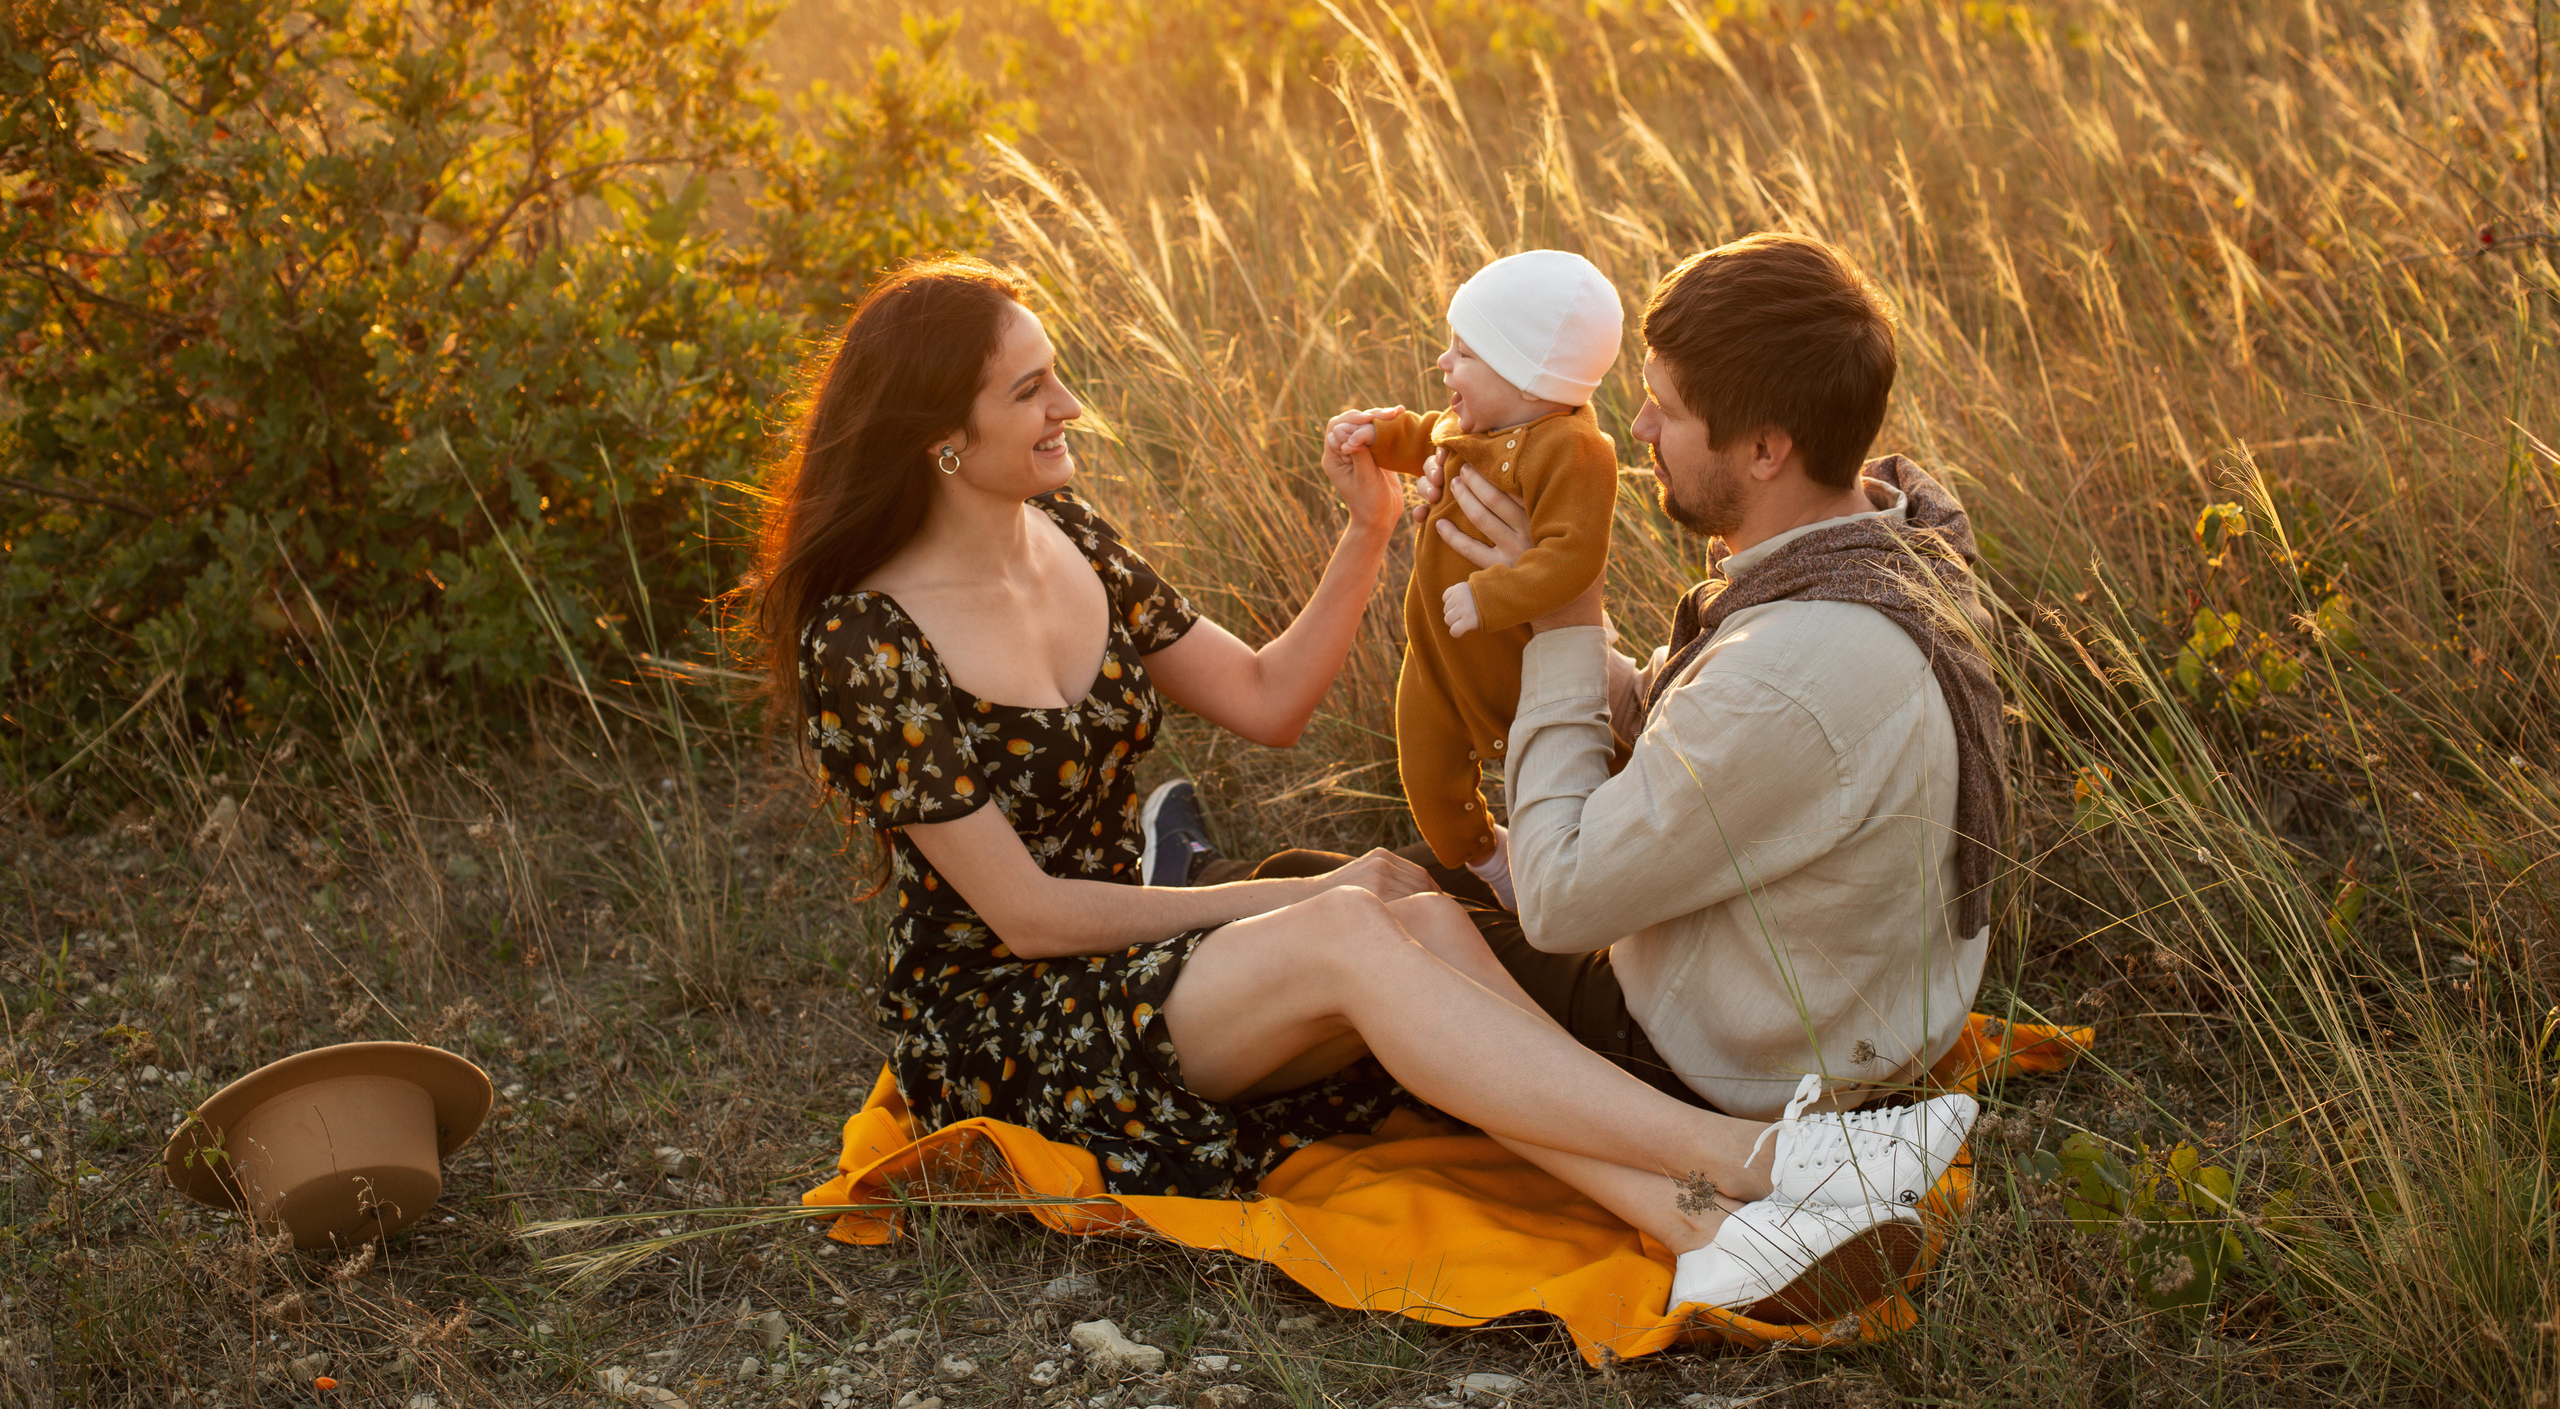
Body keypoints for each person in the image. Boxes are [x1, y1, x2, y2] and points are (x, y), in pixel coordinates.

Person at [757, 255, 1975, 1323]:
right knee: (1349, 917)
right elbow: (1022, 920)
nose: (1069, 404)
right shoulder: (865, 642)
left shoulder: (1065, 532)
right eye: (1030, 390)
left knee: (1425, 917)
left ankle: (1709, 1231)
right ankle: (1770, 1161)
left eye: (1055, 371)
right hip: (1010, 1018)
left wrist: (1369, 529)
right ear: (941, 437)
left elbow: (1266, 700)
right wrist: (1279, 900)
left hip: (1134, 963)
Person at [1162, 231, 2006, 1309]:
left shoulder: (1795, 665)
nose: (1635, 426)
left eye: (1664, 408)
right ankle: (1719, 1204)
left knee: (1339, 913)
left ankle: (1734, 1171)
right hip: (1819, 1007)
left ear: (1763, 449)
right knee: (1359, 887)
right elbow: (1672, 718)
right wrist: (1522, 592)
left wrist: (1557, 607)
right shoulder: (1874, 559)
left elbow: (1559, 901)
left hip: (1729, 1057)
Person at [1333, 249, 1622, 888]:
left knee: (1592, 775)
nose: (1443, 362)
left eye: (1463, 352)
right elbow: (1427, 435)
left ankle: (1589, 876)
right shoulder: (1480, 425)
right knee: (1428, 775)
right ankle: (1490, 861)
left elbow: (1574, 558)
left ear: (1525, 376)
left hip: (1519, 659)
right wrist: (1378, 437)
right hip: (1437, 654)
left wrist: (1493, 596)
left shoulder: (1573, 450)